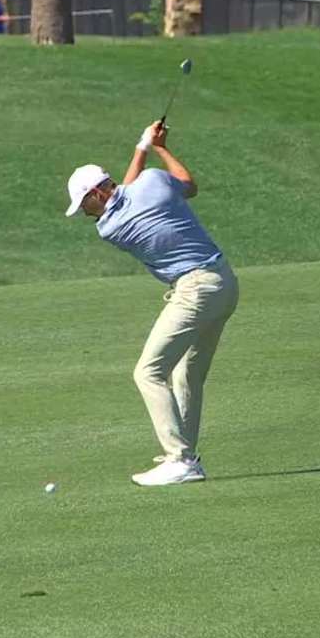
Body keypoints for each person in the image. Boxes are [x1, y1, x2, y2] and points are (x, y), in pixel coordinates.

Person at [64, 121, 238, 486]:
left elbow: (123, 193)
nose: (85, 212)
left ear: (97, 192)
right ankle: (185, 454)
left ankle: (180, 459)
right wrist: (156, 147)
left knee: (148, 372)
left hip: (194, 291)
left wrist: (143, 147)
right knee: (186, 374)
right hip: (224, 283)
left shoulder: (109, 228)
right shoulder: (155, 183)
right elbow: (187, 185)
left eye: (84, 203)